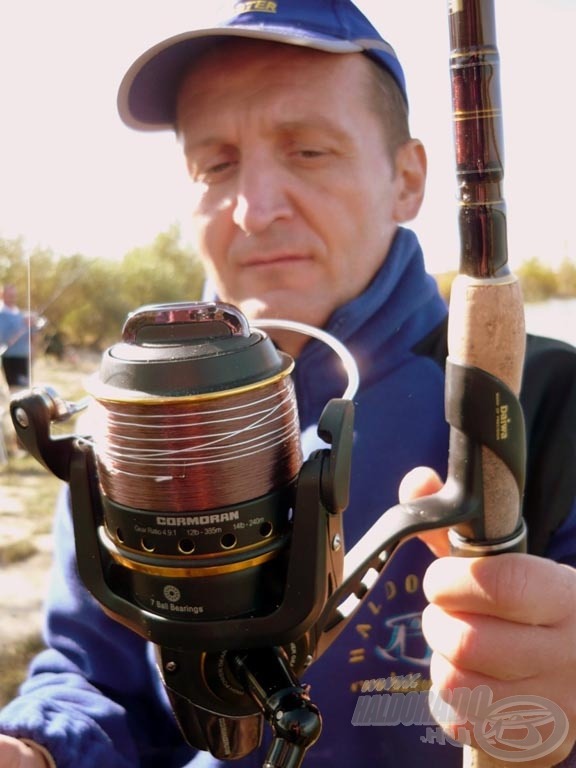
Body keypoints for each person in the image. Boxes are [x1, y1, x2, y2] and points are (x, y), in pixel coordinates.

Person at [1, 1, 576, 766]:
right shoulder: (136, 414)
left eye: (308, 151)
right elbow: (89, 680)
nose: (254, 209)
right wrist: (34, 749)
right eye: (217, 163)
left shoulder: (551, 404)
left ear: (408, 179)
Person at [0, 284, 34, 391]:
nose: (12, 298)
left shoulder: (20, 314)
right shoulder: (2, 314)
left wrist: (32, 325)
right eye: (10, 295)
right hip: (10, 358)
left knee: (26, 390)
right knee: (16, 390)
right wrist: (22, 324)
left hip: (24, 357)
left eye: (14, 295)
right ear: (2, 295)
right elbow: (3, 336)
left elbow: (30, 335)